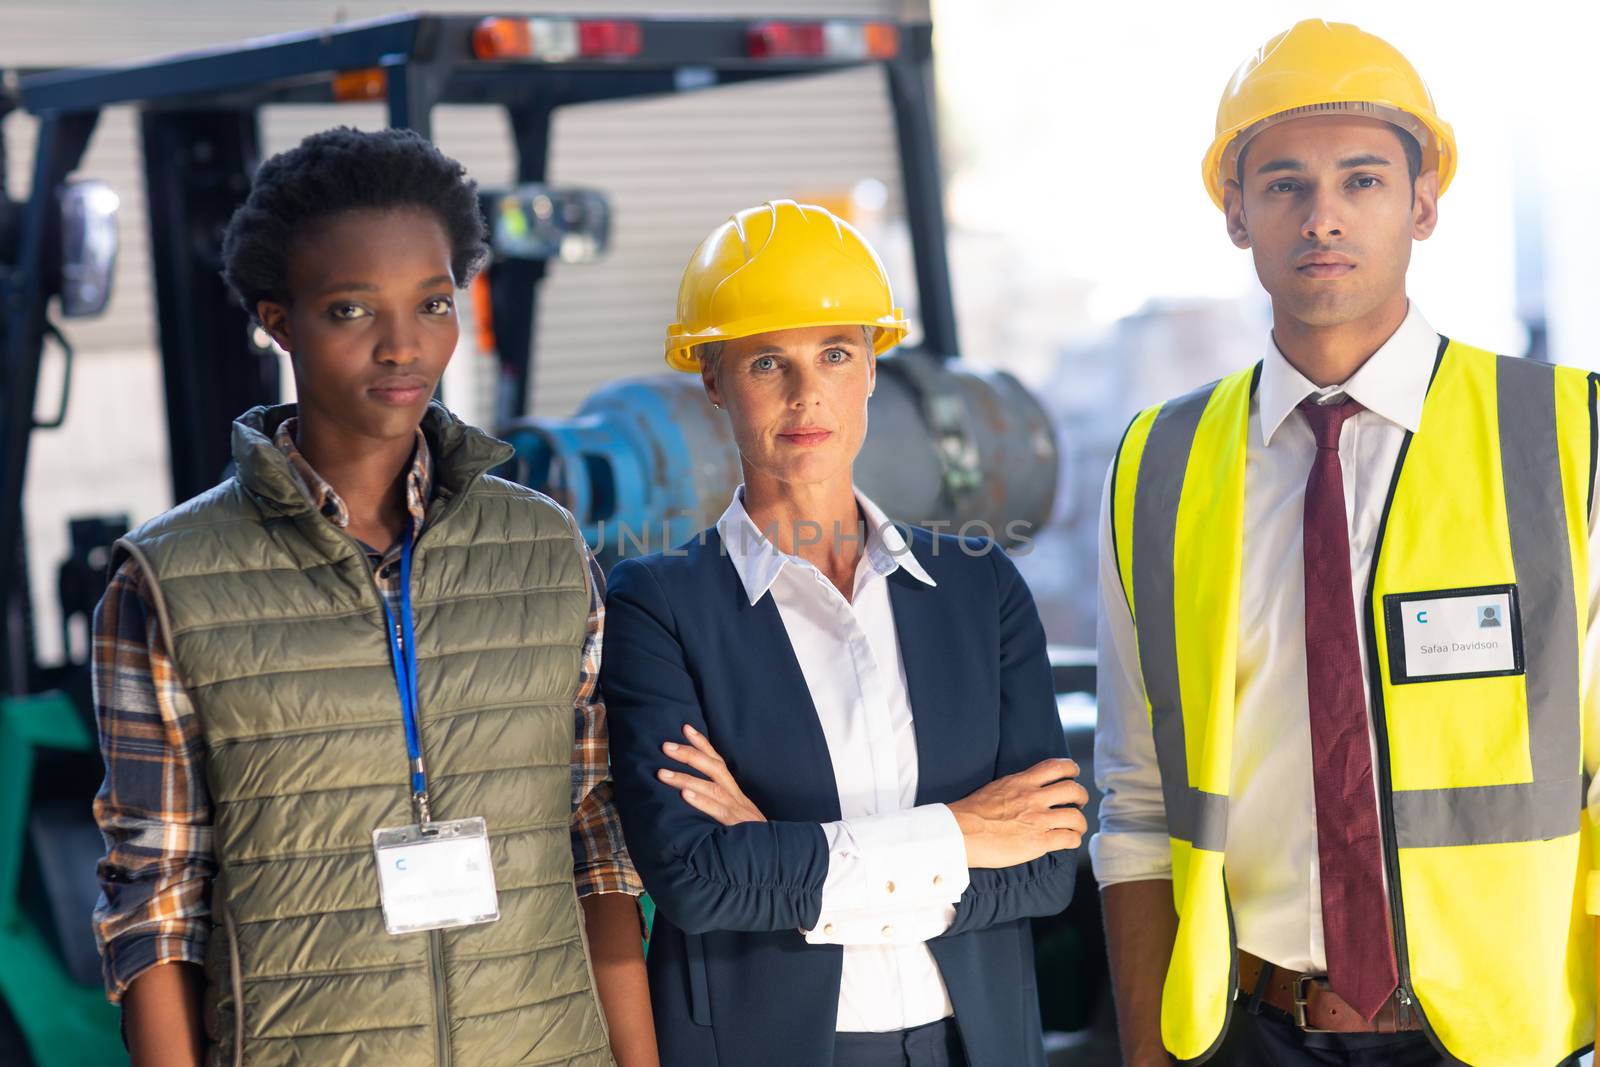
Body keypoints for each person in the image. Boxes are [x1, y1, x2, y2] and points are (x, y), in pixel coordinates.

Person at [90, 126, 657, 1067]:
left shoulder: (543, 548)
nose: (405, 344)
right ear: (279, 321)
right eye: (354, 310)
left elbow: (596, 839)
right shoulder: (168, 580)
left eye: (433, 302)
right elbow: (155, 899)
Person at [1093, 19, 1596, 1067]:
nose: (1321, 216)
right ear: (1234, 214)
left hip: (1499, 1042)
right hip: (1250, 1032)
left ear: (1422, 203)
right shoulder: (1160, 463)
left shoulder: (1568, 436)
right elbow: (1138, 803)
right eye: (1282, 185)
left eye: (1361, 180)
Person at [599, 200, 1084, 1067]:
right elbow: (698, 880)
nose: (805, 392)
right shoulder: (657, 603)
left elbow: (1045, 865)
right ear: (712, 379)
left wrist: (782, 851)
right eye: (765, 362)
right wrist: (964, 833)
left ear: (872, 367)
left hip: (971, 1045)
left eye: (834, 353)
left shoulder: (980, 589)